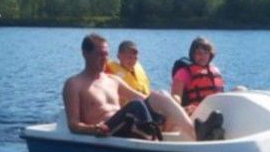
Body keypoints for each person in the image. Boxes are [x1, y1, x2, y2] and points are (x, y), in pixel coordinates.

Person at [63, 33, 196, 141]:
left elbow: (145, 98)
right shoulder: (74, 84)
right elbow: (73, 125)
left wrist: (176, 108)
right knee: (135, 105)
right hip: (107, 130)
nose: (104, 59)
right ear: (85, 54)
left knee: (159, 95)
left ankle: (194, 134)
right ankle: (156, 142)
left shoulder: (113, 80)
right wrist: (94, 129)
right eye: (99, 54)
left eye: (106, 54)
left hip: (128, 125)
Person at [171, 36, 225, 115]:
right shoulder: (183, 73)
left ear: (210, 55)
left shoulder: (215, 71)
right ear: (193, 55)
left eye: (206, 53)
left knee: (240, 89)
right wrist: (183, 109)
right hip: (195, 113)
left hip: (217, 110)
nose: (202, 56)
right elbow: (176, 97)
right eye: (199, 53)